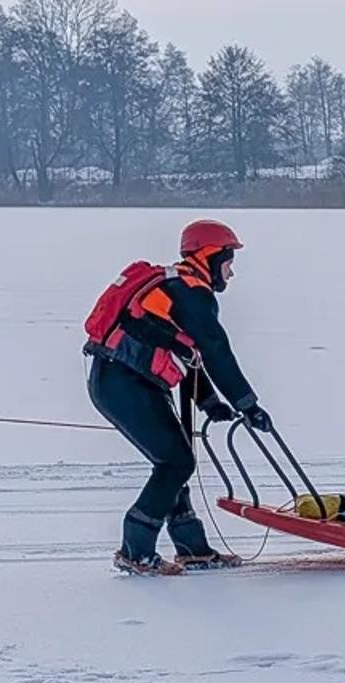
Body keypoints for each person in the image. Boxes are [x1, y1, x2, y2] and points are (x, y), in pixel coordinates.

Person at [82, 219, 274, 575]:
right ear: (212, 257)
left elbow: (187, 353)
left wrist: (209, 402)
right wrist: (248, 404)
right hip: (123, 382)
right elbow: (216, 350)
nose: (231, 274)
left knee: (175, 458)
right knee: (176, 462)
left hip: (119, 380)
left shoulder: (176, 287)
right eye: (229, 262)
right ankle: (135, 549)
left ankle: (192, 548)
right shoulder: (191, 291)